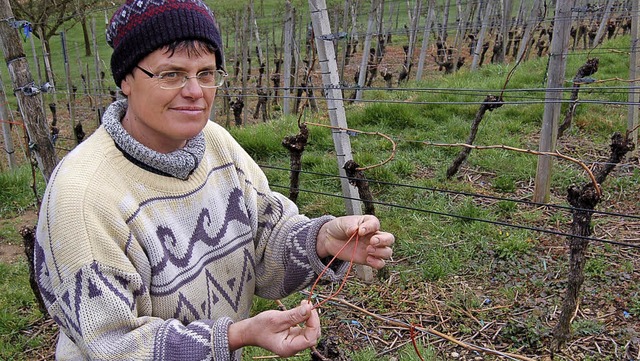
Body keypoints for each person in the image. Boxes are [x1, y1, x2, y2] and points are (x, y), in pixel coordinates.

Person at [33, 0, 395, 360]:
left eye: (206, 73)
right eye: (170, 74)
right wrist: (234, 335)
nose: (195, 91)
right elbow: (113, 345)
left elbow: (264, 246)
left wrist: (321, 240)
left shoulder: (217, 144)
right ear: (126, 79)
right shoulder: (82, 196)